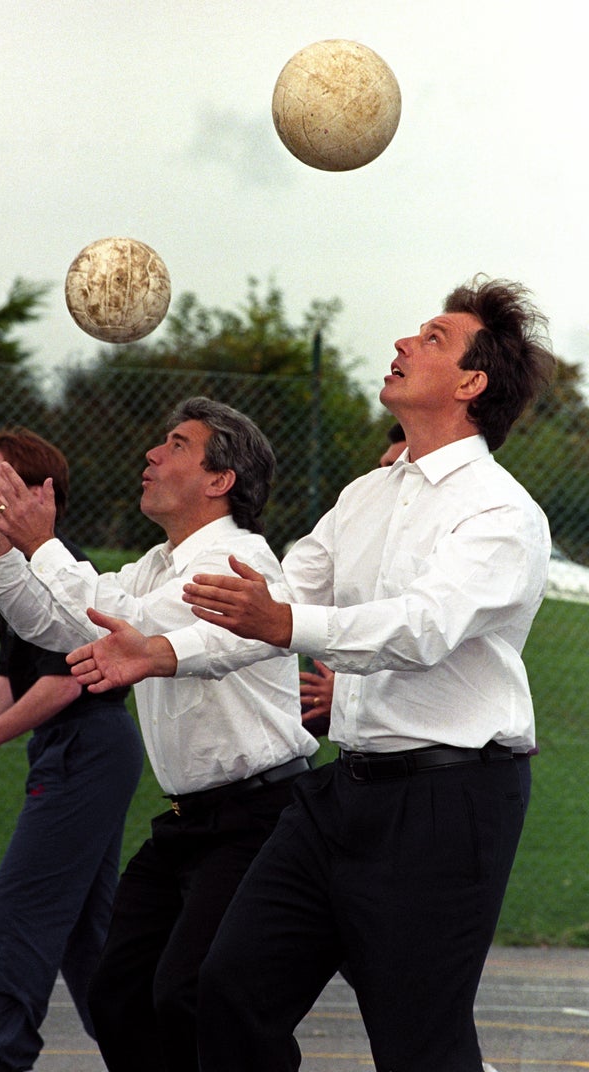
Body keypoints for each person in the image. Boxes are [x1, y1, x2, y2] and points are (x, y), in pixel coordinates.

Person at [67, 278, 555, 1072]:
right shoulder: (364, 496)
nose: (403, 344)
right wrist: (163, 653)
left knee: (418, 1042)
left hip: (448, 802)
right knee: (223, 992)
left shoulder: (502, 515)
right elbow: (281, 596)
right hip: (341, 798)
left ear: (472, 385)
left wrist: (284, 623)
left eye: (433, 338)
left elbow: (421, 628)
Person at [0, 397, 318, 1072]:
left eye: (176, 444)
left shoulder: (240, 565)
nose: (152, 455)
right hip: (191, 821)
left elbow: (119, 621)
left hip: (259, 818)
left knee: (197, 993)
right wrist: (1, 549)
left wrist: (41, 544)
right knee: (118, 994)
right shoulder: (158, 563)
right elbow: (62, 628)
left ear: (220, 481)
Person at [0, 427, 144, 1072]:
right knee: (85, 933)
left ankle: (4, 1057)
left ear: (38, 493)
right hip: (72, 749)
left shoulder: (66, 573)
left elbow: (67, 678)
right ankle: (141, 1053)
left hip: (90, 746)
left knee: (18, 905)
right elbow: (12, 677)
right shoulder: (12, 572)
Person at [300, 422, 407, 737]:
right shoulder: (357, 529)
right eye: (383, 466)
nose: (384, 476)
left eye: (397, 467)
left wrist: (346, 694)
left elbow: (423, 640)